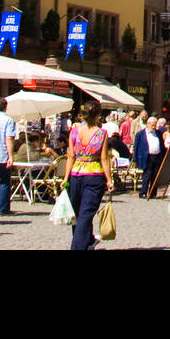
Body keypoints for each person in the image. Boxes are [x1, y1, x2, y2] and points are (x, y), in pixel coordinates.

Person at [62, 100, 113, 250]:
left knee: (77, 213)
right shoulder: (101, 133)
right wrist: (109, 179)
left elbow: (70, 156)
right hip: (94, 175)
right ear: (98, 115)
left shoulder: (74, 131)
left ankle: (88, 241)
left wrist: (65, 178)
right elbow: (104, 158)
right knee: (86, 213)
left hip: (76, 174)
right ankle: (78, 247)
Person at [133, 116, 163, 198]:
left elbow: (162, 145)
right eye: (152, 125)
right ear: (148, 124)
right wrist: (135, 159)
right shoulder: (140, 134)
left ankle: (153, 193)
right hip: (147, 157)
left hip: (157, 157)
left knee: (155, 176)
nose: (154, 127)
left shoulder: (158, 133)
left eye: (155, 125)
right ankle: (143, 192)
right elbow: (136, 147)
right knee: (147, 175)